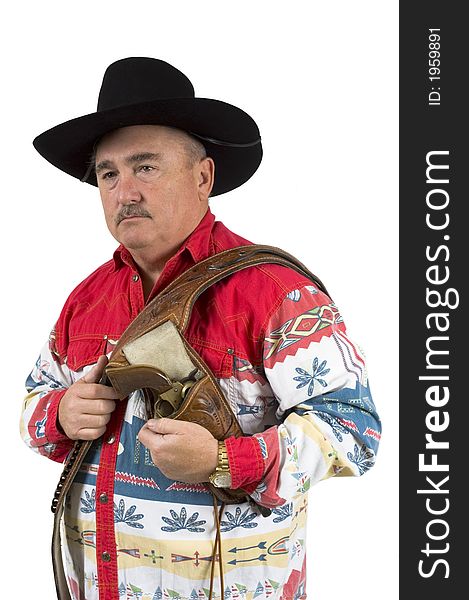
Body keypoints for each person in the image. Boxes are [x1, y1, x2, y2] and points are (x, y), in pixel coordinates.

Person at [21, 57, 381, 600]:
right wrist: (60, 412)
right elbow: (33, 406)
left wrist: (221, 460)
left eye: (145, 167)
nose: (125, 192)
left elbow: (354, 432)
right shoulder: (86, 299)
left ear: (203, 176)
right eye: (108, 173)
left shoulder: (273, 290)